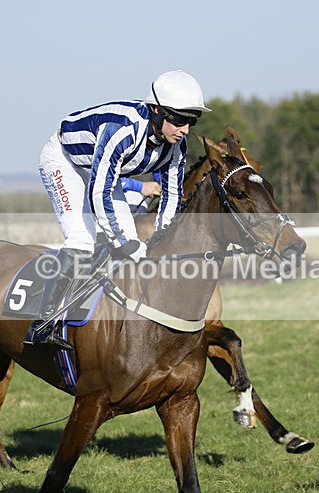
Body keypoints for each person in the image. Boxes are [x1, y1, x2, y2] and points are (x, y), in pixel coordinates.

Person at [27, 70, 211, 345]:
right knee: (83, 241)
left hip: (102, 171)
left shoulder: (177, 147)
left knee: (134, 245)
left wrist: (164, 238)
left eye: (191, 122)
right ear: (157, 111)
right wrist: (124, 243)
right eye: (179, 119)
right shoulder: (123, 130)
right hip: (65, 161)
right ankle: (42, 323)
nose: (185, 129)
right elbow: (99, 190)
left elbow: (172, 193)